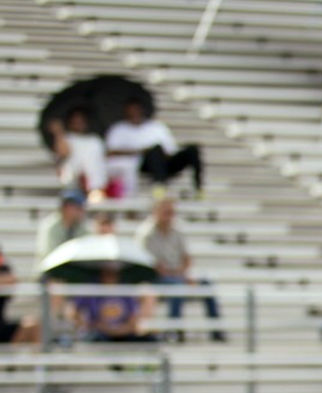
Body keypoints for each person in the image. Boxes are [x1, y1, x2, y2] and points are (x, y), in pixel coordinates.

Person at [136, 198, 224, 342]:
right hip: (156, 279)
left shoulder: (178, 230)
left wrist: (184, 275)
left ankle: (216, 330)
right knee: (176, 287)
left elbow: (187, 258)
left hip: (178, 275)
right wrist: (180, 276)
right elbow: (152, 266)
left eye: (171, 212)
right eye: (166, 212)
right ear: (156, 212)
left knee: (206, 284)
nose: (169, 215)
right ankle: (174, 330)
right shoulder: (146, 234)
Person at [105, 99, 204, 198]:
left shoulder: (156, 126)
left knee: (192, 149)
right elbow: (111, 151)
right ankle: (159, 187)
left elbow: (171, 149)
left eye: (136, 110)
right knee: (154, 150)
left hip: (164, 163)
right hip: (140, 165)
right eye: (131, 111)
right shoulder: (119, 129)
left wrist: (160, 154)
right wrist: (142, 151)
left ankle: (198, 189)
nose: (134, 113)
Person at [68, 264, 155, 343]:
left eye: (113, 273)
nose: (110, 276)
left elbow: (133, 320)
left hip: (123, 334)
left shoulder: (125, 290)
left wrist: (121, 330)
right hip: (99, 334)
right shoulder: (92, 290)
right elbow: (74, 311)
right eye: (107, 273)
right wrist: (87, 325)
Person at [47, 106, 108, 200]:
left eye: (80, 121)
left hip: (95, 187)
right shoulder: (66, 138)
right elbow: (63, 152)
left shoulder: (95, 140)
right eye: (75, 121)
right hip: (72, 187)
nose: (78, 124)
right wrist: (58, 132)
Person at [35, 189, 90, 264]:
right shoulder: (50, 227)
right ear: (66, 208)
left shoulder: (82, 229)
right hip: (51, 270)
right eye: (78, 208)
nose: (81, 212)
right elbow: (48, 255)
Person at [0, 250, 40, 345]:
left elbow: (12, 280)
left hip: (2, 325)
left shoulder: (4, 269)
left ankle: (13, 359)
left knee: (33, 324)